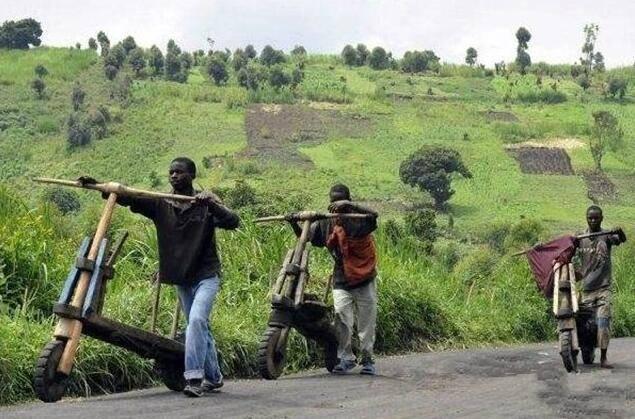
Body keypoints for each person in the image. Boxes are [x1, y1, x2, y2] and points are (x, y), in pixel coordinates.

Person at [86, 157, 240, 396]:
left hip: (206, 275)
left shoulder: (205, 204)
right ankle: (215, 377)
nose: (174, 176)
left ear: (192, 176)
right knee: (199, 326)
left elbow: (233, 221)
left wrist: (212, 204)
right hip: (181, 277)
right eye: (171, 172)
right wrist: (100, 186)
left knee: (197, 321)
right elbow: (130, 197)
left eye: (179, 172)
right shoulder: (160, 205)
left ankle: (193, 379)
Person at [292, 184, 379, 375]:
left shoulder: (360, 219)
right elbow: (305, 237)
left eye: (340, 200)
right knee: (342, 319)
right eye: (333, 200)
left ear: (347, 200)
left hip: (365, 277)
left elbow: (374, 215)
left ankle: (368, 360)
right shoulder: (326, 223)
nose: (336, 204)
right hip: (341, 278)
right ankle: (346, 358)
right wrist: (293, 222)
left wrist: (350, 205)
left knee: (366, 324)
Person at [575, 205, 626, 368]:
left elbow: (622, 240)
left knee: (603, 321)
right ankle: (584, 349)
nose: (593, 220)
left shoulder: (606, 236)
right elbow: (565, 249)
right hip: (587, 289)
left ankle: (604, 357)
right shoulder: (580, 237)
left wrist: (619, 232)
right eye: (590, 218)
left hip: (603, 288)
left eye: (596, 218)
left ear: (601, 218)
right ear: (586, 218)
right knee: (585, 325)